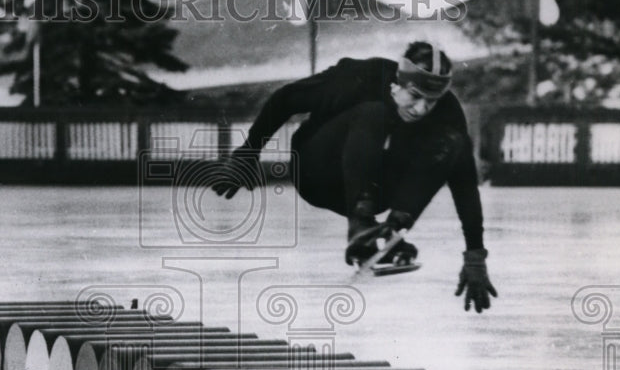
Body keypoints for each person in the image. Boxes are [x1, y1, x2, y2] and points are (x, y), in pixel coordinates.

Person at [210, 41, 497, 313]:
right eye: (415, 96)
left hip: (375, 188)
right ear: (396, 82)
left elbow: (464, 181)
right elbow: (287, 98)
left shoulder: (447, 111)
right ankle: (360, 223)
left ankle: (390, 231)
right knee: (373, 112)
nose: (421, 109)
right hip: (316, 170)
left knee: (453, 142)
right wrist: (248, 153)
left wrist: (475, 254)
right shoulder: (361, 76)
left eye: (431, 101)